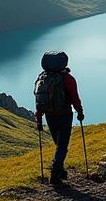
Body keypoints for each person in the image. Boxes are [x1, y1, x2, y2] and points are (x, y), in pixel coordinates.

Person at [34, 51, 84, 186]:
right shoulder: (67, 78)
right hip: (65, 115)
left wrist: (39, 119)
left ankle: (61, 171)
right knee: (62, 146)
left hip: (50, 116)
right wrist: (80, 112)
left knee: (58, 145)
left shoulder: (42, 79)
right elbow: (74, 98)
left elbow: (39, 101)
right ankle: (55, 175)